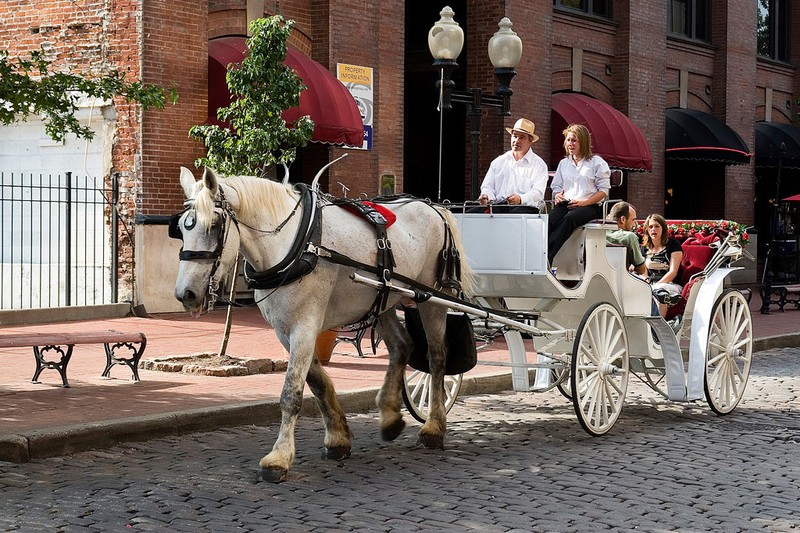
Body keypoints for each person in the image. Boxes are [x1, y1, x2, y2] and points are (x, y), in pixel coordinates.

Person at [548, 124, 611, 263]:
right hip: (568, 204)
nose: (570, 144)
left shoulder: (596, 162)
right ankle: (541, 254)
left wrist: (584, 203)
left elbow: (603, 192)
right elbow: (556, 186)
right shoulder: (564, 163)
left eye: (574, 140)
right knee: (548, 220)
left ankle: (547, 257)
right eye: (568, 140)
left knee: (569, 219)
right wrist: (557, 194)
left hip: (590, 206)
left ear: (583, 142)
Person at [470, 118, 548, 214]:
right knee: (468, 214)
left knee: (512, 216)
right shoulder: (499, 161)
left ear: (530, 141)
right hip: (499, 206)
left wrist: (520, 198)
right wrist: (486, 196)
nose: (516, 140)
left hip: (526, 208)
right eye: (514, 136)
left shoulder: (539, 165)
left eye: (522, 137)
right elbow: (487, 187)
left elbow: (538, 193)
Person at [641, 213, 684, 317]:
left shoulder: (673, 245)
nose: (653, 229)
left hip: (671, 285)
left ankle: (659, 328)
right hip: (651, 284)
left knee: (660, 291)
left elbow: (673, 272)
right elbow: (644, 272)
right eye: (650, 227)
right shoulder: (644, 248)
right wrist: (646, 284)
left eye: (657, 226)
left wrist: (654, 287)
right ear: (647, 229)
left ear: (663, 229)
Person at [606, 201, 646, 276]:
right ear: (623, 219)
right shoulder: (629, 237)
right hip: (621, 280)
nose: (634, 224)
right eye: (633, 220)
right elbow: (641, 269)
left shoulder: (597, 234)